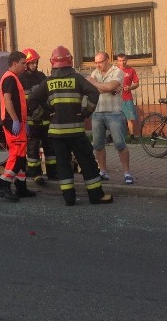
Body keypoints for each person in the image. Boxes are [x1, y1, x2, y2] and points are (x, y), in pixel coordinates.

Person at [28, 46, 111, 206]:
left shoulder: (48, 82)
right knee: (87, 162)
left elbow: (32, 100)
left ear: (53, 62)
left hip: (56, 133)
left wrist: (44, 114)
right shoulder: (77, 79)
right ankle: (96, 196)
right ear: (70, 61)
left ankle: (69, 198)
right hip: (76, 131)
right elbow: (94, 93)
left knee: (63, 164)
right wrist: (86, 112)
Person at [0, 51, 36, 201]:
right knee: (17, 155)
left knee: (20, 154)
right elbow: (8, 101)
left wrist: (22, 122)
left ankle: (21, 187)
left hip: (16, 122)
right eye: (23, 63)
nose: (25, 66)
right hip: (12, 122)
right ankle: (3, 183)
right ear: (14, 64)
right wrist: (15, 120)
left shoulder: (12, 78)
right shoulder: (10, 78)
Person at [88, 52, 133, 185]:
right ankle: (103, 171)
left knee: (119, 143)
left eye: (100, 62)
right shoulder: (95, 73)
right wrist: (105, 88)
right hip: (97, 112)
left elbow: (111, 86)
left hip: (114, 113)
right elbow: (95, 90)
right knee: (98, 144)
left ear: (107, 60)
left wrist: (96, 84)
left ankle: (127, 172)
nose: (97, 65)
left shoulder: (117, 72)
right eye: (96, 62)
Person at [19, 48, 56, 185]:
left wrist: (47, 110)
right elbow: (23, 101)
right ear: (26, 64)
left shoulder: (41, 76)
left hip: (45, 117)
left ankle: (53, 172)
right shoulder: (21, 79)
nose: (34, 65)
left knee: (50, 146)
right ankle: (35, 173)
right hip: (31, 120)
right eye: (31, 63)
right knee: (33, 148)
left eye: (36, 62)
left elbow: (48, 94)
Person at [115, 53, 139, 143]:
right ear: (118, 61)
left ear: (127, 60)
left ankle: (132, 137)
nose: (122, 62)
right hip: (116, 98)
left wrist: (130, 87)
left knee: (130, 118)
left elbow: (137, 83)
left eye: (124, 60)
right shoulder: (114, 70)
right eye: (120, 61)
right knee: (115, 118)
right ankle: (113, 136)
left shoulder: (131, 70)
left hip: (127, 98)